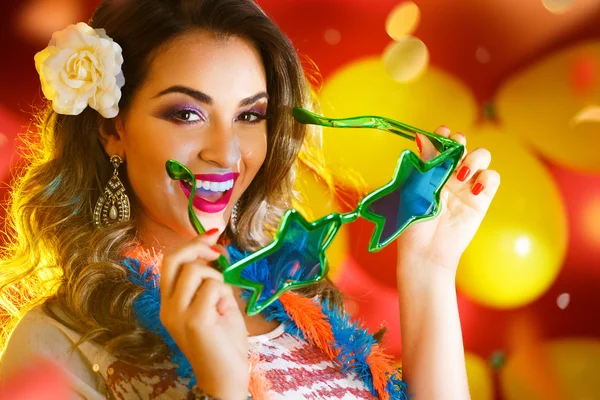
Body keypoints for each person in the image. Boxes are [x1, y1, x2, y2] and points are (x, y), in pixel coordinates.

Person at [0, 0, 500, 399]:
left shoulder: (302, 307)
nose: (227, 153)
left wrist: (429, 268)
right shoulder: (56, 344)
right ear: (113, 129)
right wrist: (224, 388)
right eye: (187, 114)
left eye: (249, 115)